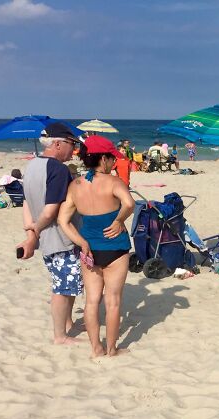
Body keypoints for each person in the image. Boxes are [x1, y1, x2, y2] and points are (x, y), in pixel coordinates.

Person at [57, 135, 134, 358]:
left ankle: (96, 349)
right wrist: (119, 220)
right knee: (113, 301)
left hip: (89, 249)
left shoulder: (76, 185)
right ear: (103, 159)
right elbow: (129, 203)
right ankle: (112, 349)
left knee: (91, 302)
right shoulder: (114, 182)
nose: (113, 163)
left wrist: (81, 242)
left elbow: (63, 220)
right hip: (115, 247)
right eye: (112, 159)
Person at [18, 123, 83, 345]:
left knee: (69, 283)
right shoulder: (58, 169)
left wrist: (31, 232)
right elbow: (51, 210)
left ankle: (68, 324)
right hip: (59, 237)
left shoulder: (33, 165)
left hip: (46, 237)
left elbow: (25, 203)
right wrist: (35, 230)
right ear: (57, 143)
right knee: (62, 287)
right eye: (71, 144)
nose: (73, 150)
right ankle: (60, 336)